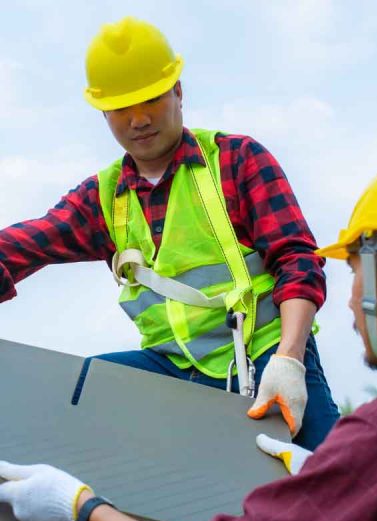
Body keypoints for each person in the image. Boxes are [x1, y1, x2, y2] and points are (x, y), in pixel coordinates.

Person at [2, 153, 377, 521]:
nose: (348, 297)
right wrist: (340, 483)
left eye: (353, 270)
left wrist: (84, 510)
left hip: (262, 367)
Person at [0, 16, 339, 450]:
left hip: (265, 358)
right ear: (103, 112)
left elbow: (298, 260)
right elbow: (24, 246)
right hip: (173, 370)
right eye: (121, 107)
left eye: (151, 100)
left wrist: (289, 358)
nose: (138, 119)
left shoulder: (237, 160)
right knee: (79, 397)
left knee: (333, 484)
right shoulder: (102, 199)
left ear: (178, 91)